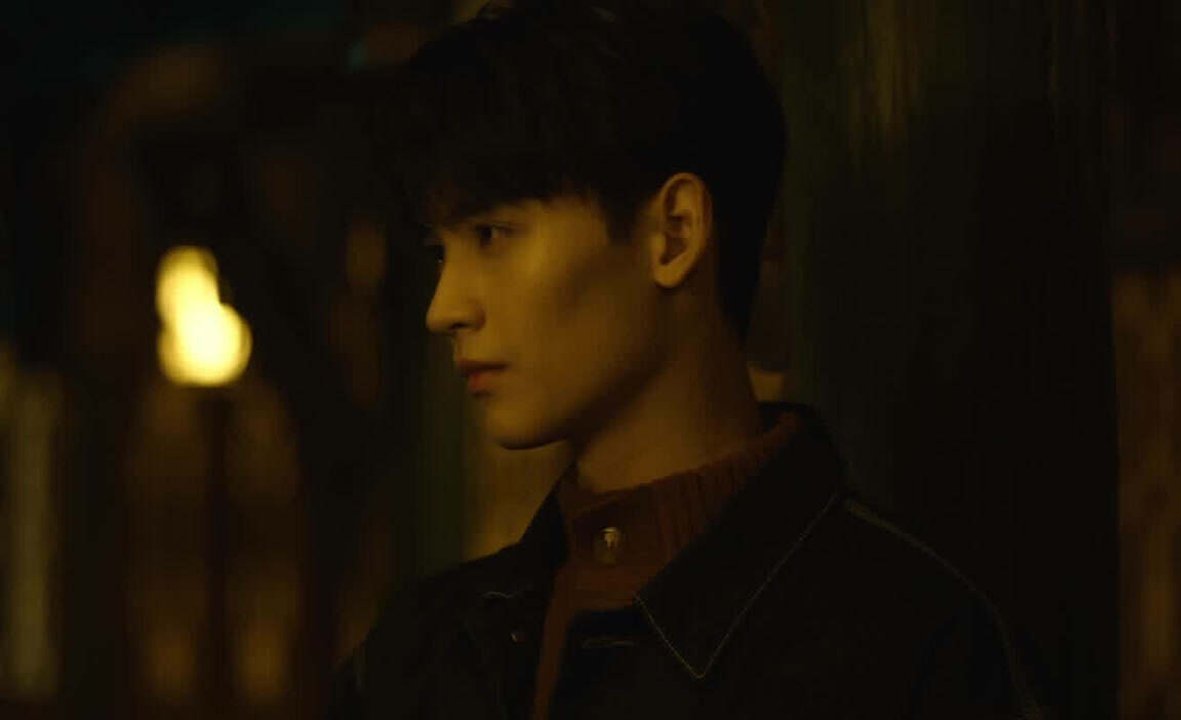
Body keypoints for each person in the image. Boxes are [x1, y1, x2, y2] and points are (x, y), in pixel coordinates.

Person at [329, 0, 1043, 717]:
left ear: (673, 233)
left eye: (492, 235)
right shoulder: (420, 656)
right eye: (440, 252)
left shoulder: (910, 651)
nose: (444, 308)